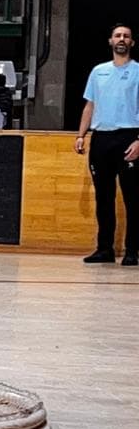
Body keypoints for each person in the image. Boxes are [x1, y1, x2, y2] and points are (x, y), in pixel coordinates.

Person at [74, 25, 139, 265]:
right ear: (110, 41)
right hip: (101, 138)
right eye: (118, 36)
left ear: (132, 42)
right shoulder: (98, 71)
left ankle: (132, 250)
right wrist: (81, 135)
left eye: (126, 36)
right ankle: (104, 249)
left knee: (133, 197)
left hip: (128, 137)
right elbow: (90, 105)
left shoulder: (138, 71)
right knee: (104, 197)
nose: (122, 39)